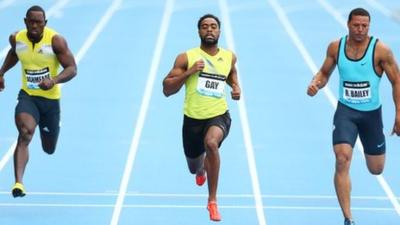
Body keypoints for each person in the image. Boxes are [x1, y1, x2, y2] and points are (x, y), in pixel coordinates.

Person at [307, 8, 400, 225]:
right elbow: (324, 73)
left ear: (369, 26)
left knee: (376, 169)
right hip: (346, 112)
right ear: (348, 24)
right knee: (342, 159)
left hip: (371, 116)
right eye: (356, 25)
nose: (360, 29)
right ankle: (348, 218)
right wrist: (316, 83)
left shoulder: (381, 51)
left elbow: (396, 80)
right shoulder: (336, 47)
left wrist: (398, 114)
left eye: (364, 26)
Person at [162, 14, 241, 222]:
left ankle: (212, 201)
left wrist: (236, 86)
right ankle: (201, 169)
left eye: (213, 26)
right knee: (193, 167)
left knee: (211, 144)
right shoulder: (186, 58)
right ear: (198, 32)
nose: (209, 30)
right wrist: (189, 72)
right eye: (205, 27)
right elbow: (166, 89)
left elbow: (231, 73)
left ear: (219, 31)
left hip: (219, 115)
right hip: (192, 121)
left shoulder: (229, 56)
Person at [0, 5, 77, 198]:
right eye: (31, 22)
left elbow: (72, 68)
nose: (35, 26)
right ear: (25, 22)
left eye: (39, 22)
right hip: (28, 96)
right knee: (25, 133)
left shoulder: (55, 41)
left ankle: (51, 129)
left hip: (50, 101)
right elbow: (15, 53)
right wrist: (1, 72)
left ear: (45, 24)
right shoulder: (17, 38)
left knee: (48, 148)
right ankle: (19, 183)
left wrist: (53, 80)